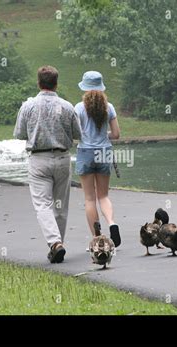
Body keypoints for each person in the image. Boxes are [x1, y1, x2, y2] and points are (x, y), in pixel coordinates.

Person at [14, 66, 81, 263]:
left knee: (42, 204)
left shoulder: (28, 106)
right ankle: (58, 243)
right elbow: (78, 134)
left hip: (39, 159)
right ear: (56, 83)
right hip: (61, 158)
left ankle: (54, 243)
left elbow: (19, 133)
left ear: (39, 83)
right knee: (60, 205)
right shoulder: (67, 107)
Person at [75, 71, 121, 247]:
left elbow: (75, 134)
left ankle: (97, 238)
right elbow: (116, 134)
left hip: (85, 152)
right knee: (103, 196)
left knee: (89, 198)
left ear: (85, 88)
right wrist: (103, 135)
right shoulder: (109, 107)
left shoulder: (78, 108)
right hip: (104, 152)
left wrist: (86, 136)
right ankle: (112, 223)